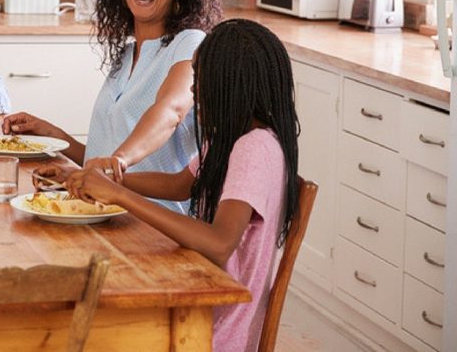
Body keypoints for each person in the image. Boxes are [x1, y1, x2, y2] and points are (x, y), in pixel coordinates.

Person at [62, 19, 301, 352]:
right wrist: (108, 178)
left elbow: (219, 244)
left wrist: (119, 195)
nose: (193, 91)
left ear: (229, 86)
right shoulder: (231, 138)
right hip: (201, 301)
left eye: (199, 81)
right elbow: (179, 185)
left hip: (213, 329)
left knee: (88, 329)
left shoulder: (254, 148)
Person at [6, 0, 222, 213]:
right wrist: (53, 136)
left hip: (157, 223)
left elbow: (172, 111)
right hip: (107, 212)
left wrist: (119, 160)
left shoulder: (190, 42)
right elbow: (104, 164)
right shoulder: (127, 54)